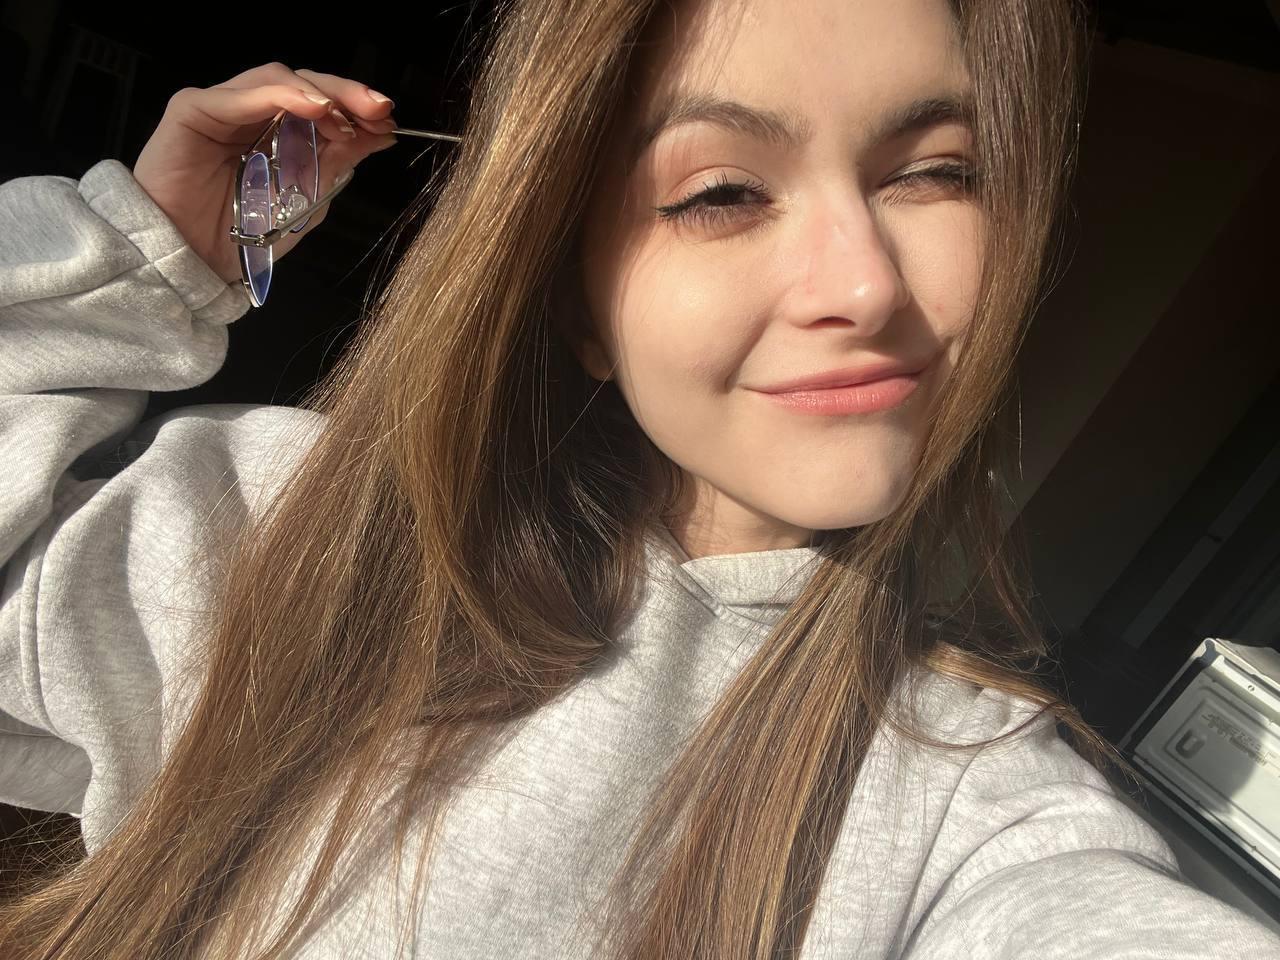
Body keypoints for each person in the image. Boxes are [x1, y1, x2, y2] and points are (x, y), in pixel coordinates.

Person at [1, 0, 1278, 957]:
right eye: (720, 192)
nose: (864, 284)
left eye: (936, 171)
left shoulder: (968, 798)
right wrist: (139, 257)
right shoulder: (296, 531)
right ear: (575, 301)